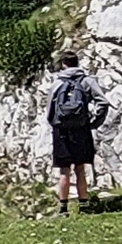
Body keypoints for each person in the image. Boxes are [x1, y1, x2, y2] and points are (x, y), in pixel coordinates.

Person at [46, 49, 104, 211]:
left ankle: (63, 208)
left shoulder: (57, 83)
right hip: (81, 129)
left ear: (64, 64)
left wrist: (55, 124)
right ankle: (84, 205)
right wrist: (93, 122)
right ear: (78, 63)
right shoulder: (87, 81)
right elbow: (103, 103)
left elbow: (50, 109)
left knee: (64, 170)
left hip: (62, 131)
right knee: (80, 168)